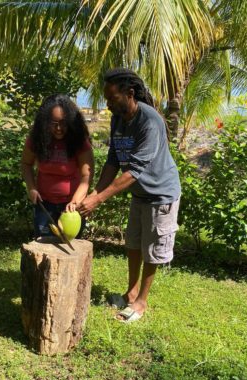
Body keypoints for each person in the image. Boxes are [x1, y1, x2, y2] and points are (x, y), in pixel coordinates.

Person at [78, 68, 181, 323]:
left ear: (130, 93)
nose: (108, 103)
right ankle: (130, 292)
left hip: (160, 195)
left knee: (152, 250)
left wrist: (99, 199)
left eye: (112, 98)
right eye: (107, 99)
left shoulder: (150, 121)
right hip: (139, 194)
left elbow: (135, 169)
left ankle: (141, 302)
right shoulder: (118, 119)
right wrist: (96, 192)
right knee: (133, 245)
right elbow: (114, 160)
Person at [21, 94, 94, 237]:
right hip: (44, 206)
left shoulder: (79, 141)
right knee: (43, 250)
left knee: (69, 252)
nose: (59, 128)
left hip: (71, 208)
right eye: (54, 123)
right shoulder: (36, 139)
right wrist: (31, 188)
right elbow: (26, 164)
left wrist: (76, 201)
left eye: (63, 123)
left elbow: (87, 175)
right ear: (45, 122)